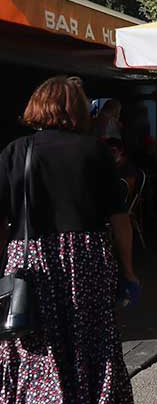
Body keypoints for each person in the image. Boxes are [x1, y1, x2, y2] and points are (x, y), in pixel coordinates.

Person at [0, 76, 136, 402]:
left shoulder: (15, 152)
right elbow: (119, 218)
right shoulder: (94, 151)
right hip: (86, 256)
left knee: (36, 336)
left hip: (31, 257)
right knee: (91, 334)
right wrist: (128, 269)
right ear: (76, 109)